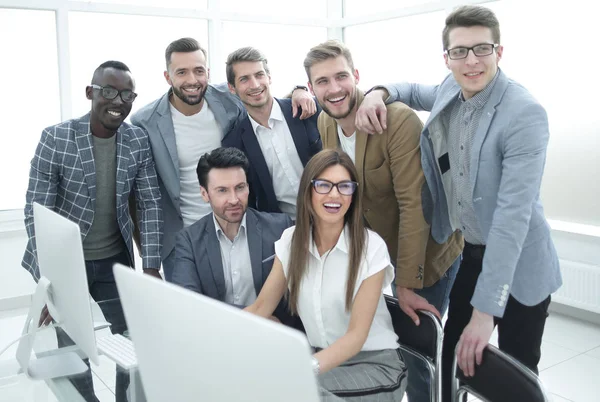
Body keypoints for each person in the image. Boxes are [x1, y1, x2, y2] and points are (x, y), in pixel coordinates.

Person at [355, 5, 562, 401]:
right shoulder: (451, 87)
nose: (471, 61)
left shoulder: (524, 113)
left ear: (499, 52)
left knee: (515, 374)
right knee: (451, 355)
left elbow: (511, 219)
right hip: (471, 250)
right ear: (446, 58)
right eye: (460, 51)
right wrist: (377, 93)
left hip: (521, 260)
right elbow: (411, 90)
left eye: (482, 49)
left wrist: (486, 314)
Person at [304, 40, 463, 402]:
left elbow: (414, 205)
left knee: (424, 357)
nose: (334, 88)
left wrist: (406, 282)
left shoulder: (396, 119)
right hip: (382, 255)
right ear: (312, 88)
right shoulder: (325, 122)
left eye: (341, 76)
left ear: (356, 76)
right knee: (396, 348)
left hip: (428, 255)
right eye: (322, 82)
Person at [22, 61, 163, 402]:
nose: (118, 100)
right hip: (68, 264)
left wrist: (150, 268)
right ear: (91, 93)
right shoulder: (56, 138)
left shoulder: (137, 140)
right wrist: (49, 283)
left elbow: (150, 203)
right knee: (75, 346)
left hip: (114, 259)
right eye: (109, 91)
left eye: (127, 93)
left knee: (130, 339)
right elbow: (36, 214)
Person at [131, 38, 316, 281]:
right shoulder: (145, 122)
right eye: (182, 72)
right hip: (181, 238)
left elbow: (261, 98)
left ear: (207, 72)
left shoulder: (226, 100)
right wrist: (149, 261)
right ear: (167, 77)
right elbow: (143, 197)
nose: (192, 80)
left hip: (237, 228)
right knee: (186, 310)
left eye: (198, 71)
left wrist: (299, 90)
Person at [245, 149, 406, 402]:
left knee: (294, 392)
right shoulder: (291, 241)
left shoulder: (370, 247)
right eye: (324, 185)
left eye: (344, 186)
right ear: (308, 191)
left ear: (353, 195)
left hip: (376, 366)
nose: (334, 195)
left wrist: (304, 368)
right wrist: (212, 339)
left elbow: (356, 337)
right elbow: (260, 307)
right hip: (322, 362)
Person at [172, 147, 295, 326]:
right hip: (218, 338)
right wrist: (259, 317)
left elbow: (297, 296)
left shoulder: (280, 228)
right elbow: (188, 305)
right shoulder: (188, 241)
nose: (234, 199)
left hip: (275, 339)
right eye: (222, 190)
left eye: (240, 187)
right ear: (204, 194)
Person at [222, 47, 322, 217]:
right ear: (232, 88)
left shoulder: (306, 110)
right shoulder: (233, 142)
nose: (254, 85)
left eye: (259, 75)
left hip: (332, 214)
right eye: (244, 79)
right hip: (285, 228)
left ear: (269, 77)